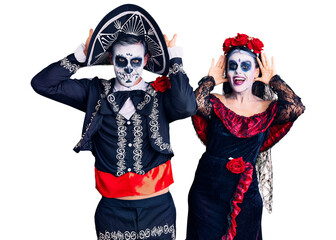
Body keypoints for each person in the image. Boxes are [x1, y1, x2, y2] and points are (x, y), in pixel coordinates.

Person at [31, 4, 196, 240]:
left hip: (158, 209)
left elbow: (187, 106)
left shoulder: (161, 96)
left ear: (146, 59)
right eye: (121, 60)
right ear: (111, 59)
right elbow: (42, 84)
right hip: (112, 211)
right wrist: (80, 55)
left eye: (136, 61)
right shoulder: (94, 92)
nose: (128, 69)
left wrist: (175, 60)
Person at [187, 33, 305, 240]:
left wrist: (273, 80)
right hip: (207, 194)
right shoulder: (215, 102)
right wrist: (210, 80)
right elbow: (192, 104)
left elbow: (296, 107)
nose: (238, 72)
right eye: (232, 66)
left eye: (245, 66)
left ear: (256, 71)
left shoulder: (269, 108)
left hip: (245, 195)